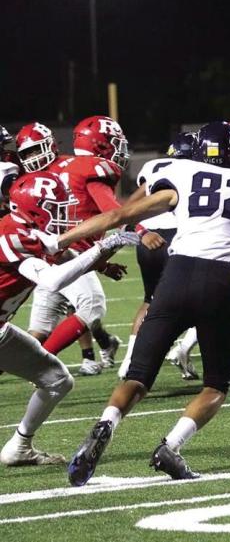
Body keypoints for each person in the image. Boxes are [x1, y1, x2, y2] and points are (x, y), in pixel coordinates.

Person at [65, 121, 230, 486]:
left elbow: (119, 216)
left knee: (138, 376)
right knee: (216, 384)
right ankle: (171, 446)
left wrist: (60, 241)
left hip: (175, 277)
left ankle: (106, 423)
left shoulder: (182, 173)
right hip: (219, 281)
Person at [0, 174, 138, 466]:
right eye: (55, 206)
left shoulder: (27, 229)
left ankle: (19, 447)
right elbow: (51, 280)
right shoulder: (11, 232)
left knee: (57, 380)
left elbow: (60, 250)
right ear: (35, 208)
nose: (63, 212)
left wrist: (102, 258)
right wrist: (102, 248)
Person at [16, 118, 133, 375]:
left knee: (45, 330)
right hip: (50, 256)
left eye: (37, 149)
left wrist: (101, 265)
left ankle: (56, 361)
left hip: (65, 254)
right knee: (48, 327)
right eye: (28, 153)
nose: (34, 157)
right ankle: (39, 365)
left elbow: (78, 221)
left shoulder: (79, 167)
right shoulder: (28, 183)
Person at [117, 132, 197, 380]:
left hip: (149, 239)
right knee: (207, 299)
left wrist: (142, 231)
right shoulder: (201, 169)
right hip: (178, 238)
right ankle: (182, 350)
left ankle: (129, 361)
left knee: (150, 300)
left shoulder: (154, 167)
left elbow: (130, 205)